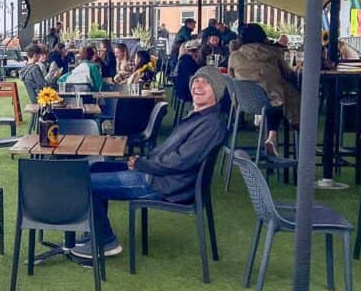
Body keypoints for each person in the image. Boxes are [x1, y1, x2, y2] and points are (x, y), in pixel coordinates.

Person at [70, 66, 228, 258]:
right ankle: (96, 231)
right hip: (161, 176)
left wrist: (142, 164)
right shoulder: (199, 117)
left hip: (165, 184)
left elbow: (180, 161)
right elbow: (170, 153)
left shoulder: (211, 123)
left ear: (217, 92)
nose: (198, 85)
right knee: (96, 167)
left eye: (206, 83)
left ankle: (106, 241)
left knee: (85, 183)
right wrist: (142, 161)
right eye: (196, 81)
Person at [228, 23, 301, 156]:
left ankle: (271, 138)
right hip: (273, 99)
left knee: (273, 99)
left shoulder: (234, 56)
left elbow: (231, 77)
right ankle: (296, 141)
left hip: (245, 102)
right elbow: (288, 74)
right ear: (263, 37)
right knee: (284, 97)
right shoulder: (274, 53)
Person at [173, 39, 202, 103]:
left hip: (180, 91)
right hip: (186, 93)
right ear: (197, 51)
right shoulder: (190, 62)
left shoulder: (183, 59)